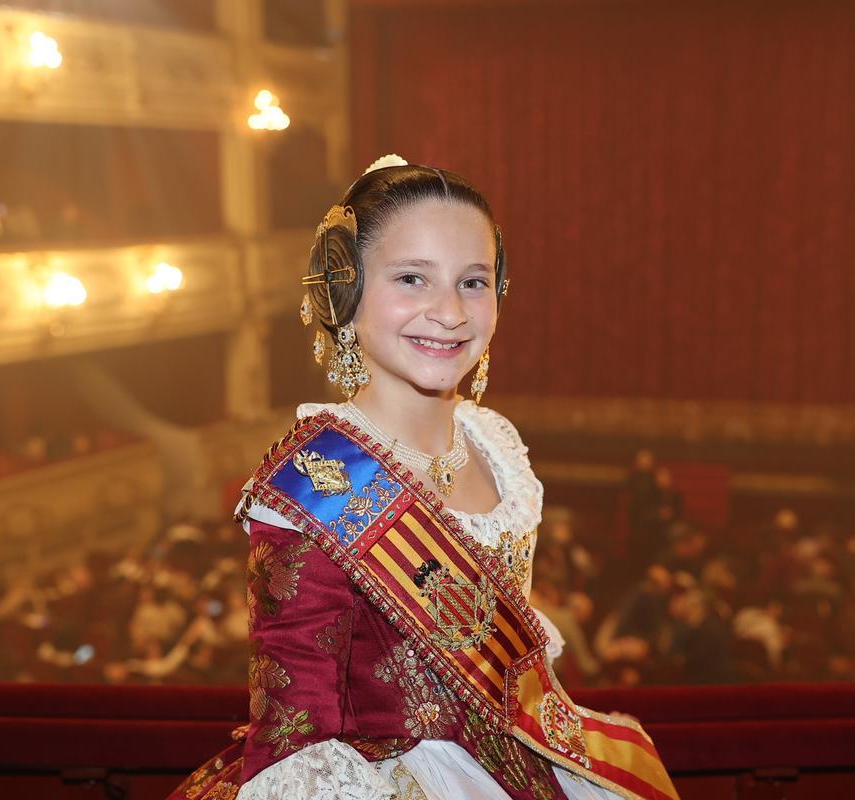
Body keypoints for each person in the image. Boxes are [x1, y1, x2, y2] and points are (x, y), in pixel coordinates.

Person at [170, 156, 678, 800]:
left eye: (473, 282)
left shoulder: (497, 445)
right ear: (344, 296)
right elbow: (294, 731)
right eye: (412, 278)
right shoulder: (316, 482)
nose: (449, 312)